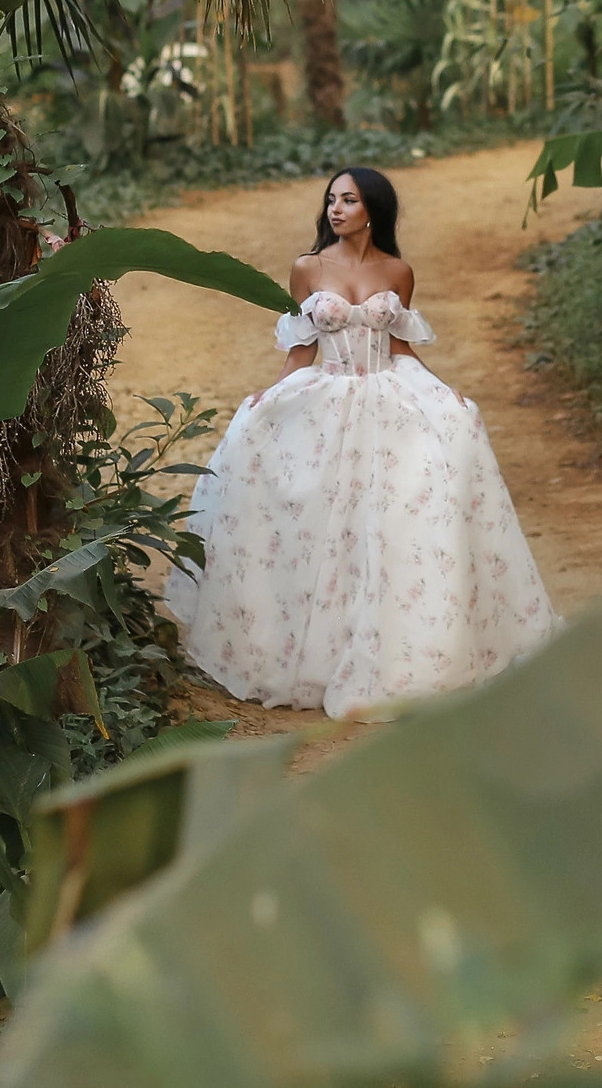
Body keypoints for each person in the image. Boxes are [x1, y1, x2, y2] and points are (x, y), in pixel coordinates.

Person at [166, 166, 559, 719]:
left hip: (387, 399)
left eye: (347, 200)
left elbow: (401, 348)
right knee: (316, 519)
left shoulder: (398, 271)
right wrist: (267, 396)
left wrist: (450, 396)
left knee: (389, 521)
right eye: (331, 200)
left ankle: (395, 653)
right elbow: (302, 351)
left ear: (371, 209)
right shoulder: (307, 268)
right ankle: (304, 657)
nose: (335, 209)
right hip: (328, 397)